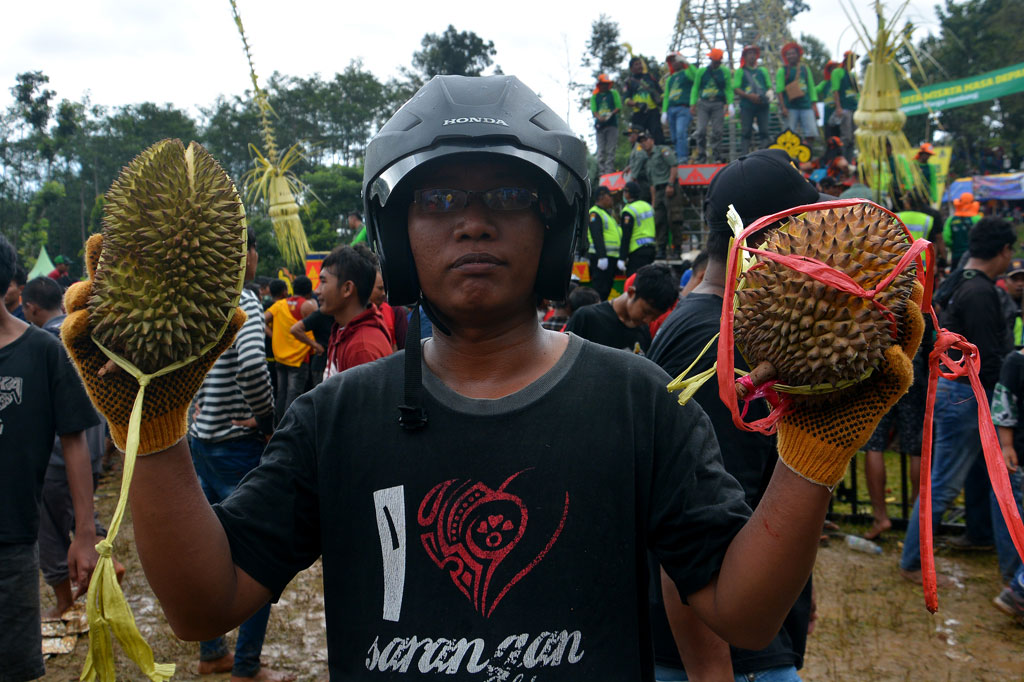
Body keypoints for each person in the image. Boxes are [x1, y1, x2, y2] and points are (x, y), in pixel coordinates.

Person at [64, 75, 904, 680]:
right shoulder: (336, 417)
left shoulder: (636, 401)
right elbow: (203, 605)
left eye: (507, 195)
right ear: (396, 239)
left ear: (555, 230)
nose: (472, 221)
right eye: (436, 201)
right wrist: (156, 423)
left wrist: (812, 452)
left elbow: (744, 612)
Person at [647, 149, 820, 682]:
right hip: (729, 651)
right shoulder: (714, 340)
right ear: (771, 237)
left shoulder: (712, 321)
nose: (819, 250)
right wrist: (712, 671)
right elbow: (687, 526)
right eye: (808, 232)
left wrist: (797, 590)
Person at [187, 227, 290, 682]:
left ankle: (212, 651)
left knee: (203, 548)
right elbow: (251, 365)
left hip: (202, 442)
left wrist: (196, 409)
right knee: (253, 556)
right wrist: (266, 421)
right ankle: (246, 664)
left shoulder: (201, 304)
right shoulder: (242, 301)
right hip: (235, 446)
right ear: (246, 256)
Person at [0, 235, 99, 681]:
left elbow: (74, 440)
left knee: (13, 666)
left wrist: (85, 534)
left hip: (12, 542)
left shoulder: (42, 352)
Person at [900, 217, 1017, 586]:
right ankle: (913, 562)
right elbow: (987, 357)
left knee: (983, 470)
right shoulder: (980, 292)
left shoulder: (959, 281)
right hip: (970, 394)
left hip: (958, 392)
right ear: (1004, 251)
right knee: (943, 485)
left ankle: (980, 533)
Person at [317, 244, 392, 380]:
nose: (317, 290)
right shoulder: (343, 331)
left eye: (323, 281)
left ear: (347, 289)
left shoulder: (362, 349)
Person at [565, 263, 676, 354]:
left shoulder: (643, 331)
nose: (647, 320)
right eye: (646, 312)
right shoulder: (587, 318)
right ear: (631, 292)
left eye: (654, 317)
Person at [265, 276, 314, 421]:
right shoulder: (307, 306)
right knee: (294, 396)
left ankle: (278, 426)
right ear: (309, 292)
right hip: (298, 359)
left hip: (280, 358)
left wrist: (273, 335)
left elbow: (262, 320)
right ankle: (288, 428)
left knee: (281, 394)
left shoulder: (279, 305)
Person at [638, 133, 680, 260]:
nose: (643, 143)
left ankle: (677, 249)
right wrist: (653, 200)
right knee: (659, 220)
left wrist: (671, 184)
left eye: (645, 140)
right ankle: (661, 249)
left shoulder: (662, 150)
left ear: (651, 140)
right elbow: (651, 183)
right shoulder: (647, 159)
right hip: (657, 191)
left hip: (669, 187)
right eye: (641, 141)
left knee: (674, 219)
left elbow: (673, 166)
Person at [690, 48, 733, 164]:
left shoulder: (725, 72)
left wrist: (730, 103)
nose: (715, 63)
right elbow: (695, 88)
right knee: (701, 130)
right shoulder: (701, 72)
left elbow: (728, 88)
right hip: (703, 103)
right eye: (714, 61)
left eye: (717, 61)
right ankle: (701, 155)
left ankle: (716, 155)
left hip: (718, 103)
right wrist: (693, 103)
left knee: (717, 130)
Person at [776, 42, 819, 147]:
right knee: (789, 134)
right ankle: (789, 155)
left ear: (798, 55)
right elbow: (779, 90)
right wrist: (783, 107)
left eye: (793, 53)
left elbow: (811, 87)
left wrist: (814, 104)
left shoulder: (805, 69)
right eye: (788, 54)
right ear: (786, 56)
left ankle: (807, 152)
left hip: (806, 106)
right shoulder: (783, 70)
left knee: (811, 132)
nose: (791, 56)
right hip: (790, 107)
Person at [733, 45, 772, 154]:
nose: (752, 56)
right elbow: (736, 88)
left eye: (754, 53)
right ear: (745, 56)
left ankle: (765, 155)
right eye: (749, 53)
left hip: (762, 105)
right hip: (747, 105)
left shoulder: (762, 70)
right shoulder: (740, 71)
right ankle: (744, 156)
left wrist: (769, 94)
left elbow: (769, 86)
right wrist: (749, 96)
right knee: (746, 132)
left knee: (764, 131)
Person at [586, 185, 622, 301]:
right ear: (601, 197)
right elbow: (597, 235)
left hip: (610, 257)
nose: (611, 199)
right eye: (609, 196)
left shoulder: (607, 214)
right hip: (601, 258)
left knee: (606, 289)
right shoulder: (595, 213)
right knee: (600, 289)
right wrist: (602, 256)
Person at [662, 53, 696, 162]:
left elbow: (695, 76)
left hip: (683, 108)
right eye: (672, 61)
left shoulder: (687, 73)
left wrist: (686, 62)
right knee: (674, 136)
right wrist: (664, 111)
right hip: (671, 109)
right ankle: (677, 156)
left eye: (676, 60)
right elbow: (666, 96)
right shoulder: (670, 79)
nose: (674, 63)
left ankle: (682, 157)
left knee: (681, 132)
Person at [623, 56, 665, 144]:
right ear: (631, 68)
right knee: (637, 138)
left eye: (640, 64)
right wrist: (637, 104)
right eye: (636, 64)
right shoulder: (629, 82)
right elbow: (626, 100)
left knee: (657, 135)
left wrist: (663, 102)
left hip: (653, 111)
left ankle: (659, 151)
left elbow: (660, 92)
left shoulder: (650, 77)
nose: (639, 66)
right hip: (638, 113)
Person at [620, 181, 657, 276]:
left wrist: (622, 258)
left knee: (634, 278)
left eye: (625, 191)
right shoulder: (648, 206)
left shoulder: (629, 210)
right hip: (651, 248)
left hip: (637, 250)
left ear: (628, 194)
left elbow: (626, 236)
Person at [591, 73, 622, 176]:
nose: (605, 86)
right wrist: (599, 117)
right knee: (601, 150)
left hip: (612, 125)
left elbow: (618, 106)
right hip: (600, 126)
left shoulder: (613, 93)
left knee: (611, 149)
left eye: (606, 84)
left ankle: (609, 172)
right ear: (599, 85)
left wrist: (611, 114)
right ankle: (602, 173)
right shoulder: (595, 97)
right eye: (603, 84)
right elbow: (594, 110)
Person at [830, 51, 859, 162]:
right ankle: (842, 161)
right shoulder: (838, 72)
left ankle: (850, 161)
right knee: (846, 137)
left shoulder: (852, 75)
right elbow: (835, 90)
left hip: (854, 108)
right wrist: (838, 107)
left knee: (854, 137)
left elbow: (857, 91)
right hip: (845, 109)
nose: (853, 63)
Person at [943, 192, 983, 265]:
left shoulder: (951, 220)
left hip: (956, 255)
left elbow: (946, 239)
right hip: (974, 256)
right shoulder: (977, 219)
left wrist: (954, 247)